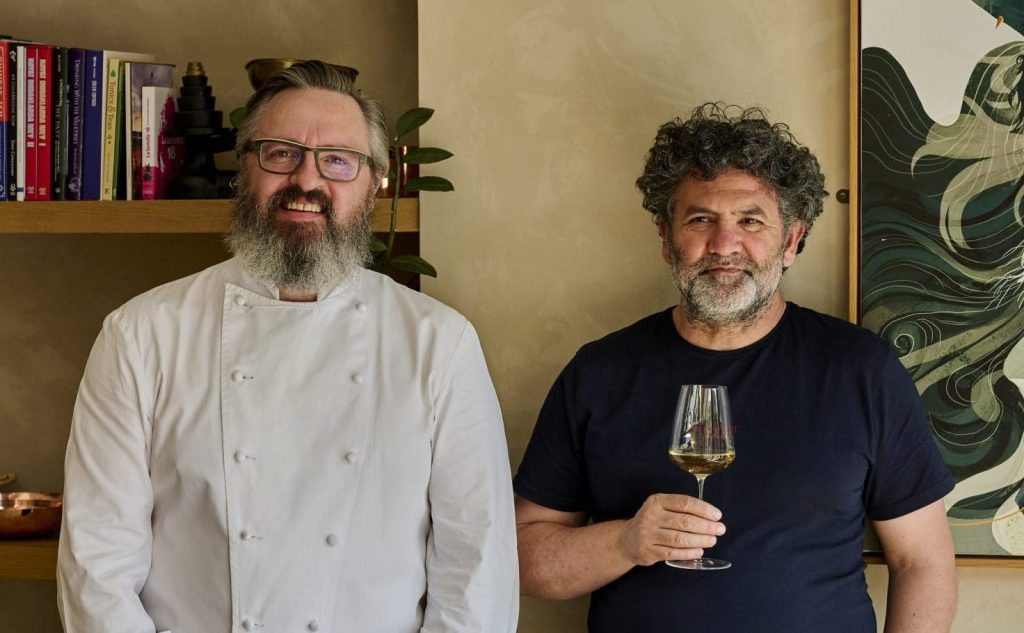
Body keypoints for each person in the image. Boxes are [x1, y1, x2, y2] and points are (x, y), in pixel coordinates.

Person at [57, 60, 518, 632]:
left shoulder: (439, 343)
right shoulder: (141, 334)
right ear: (244, 168)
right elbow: (97, 563)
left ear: (374, 184)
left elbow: (477, 567)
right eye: (281, 153)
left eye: (338, 160)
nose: (306, 180)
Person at [513, 103, 957, 633]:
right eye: (701, 219)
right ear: (667, 239)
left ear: (791, 241)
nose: (724, 245)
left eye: (751, 221)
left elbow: (922, 562)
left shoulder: (862, 371)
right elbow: (521, 560)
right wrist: (624, 542)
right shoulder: (599, 373)